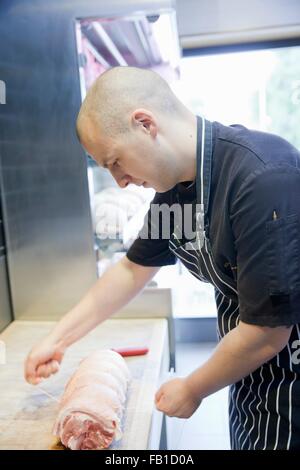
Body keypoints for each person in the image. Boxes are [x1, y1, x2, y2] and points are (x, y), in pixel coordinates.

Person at [24, 66, 300, 450]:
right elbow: (132, 270)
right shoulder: (176, 192)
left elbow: (269, 330)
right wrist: (58, 338)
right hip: (247, 377)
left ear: (145, 124)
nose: (120, 180)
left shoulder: (261, 177)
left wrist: (192, 387)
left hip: (291, 386)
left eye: (115, 161)